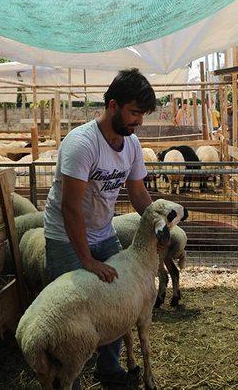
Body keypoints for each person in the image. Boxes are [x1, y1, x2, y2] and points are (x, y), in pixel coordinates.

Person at [43, 68, 157, 390]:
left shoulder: (132, 145)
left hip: (103, 232)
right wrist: (88, 261)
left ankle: (108, 370)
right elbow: (70, 207)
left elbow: (137, 193)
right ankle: (69, 382)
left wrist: (156, 226)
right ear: (112, 106)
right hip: (66, 235)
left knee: (118, 303)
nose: (139, 121)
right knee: (70, 312)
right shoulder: (82, 143)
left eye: (142, 114)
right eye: (134, 112)